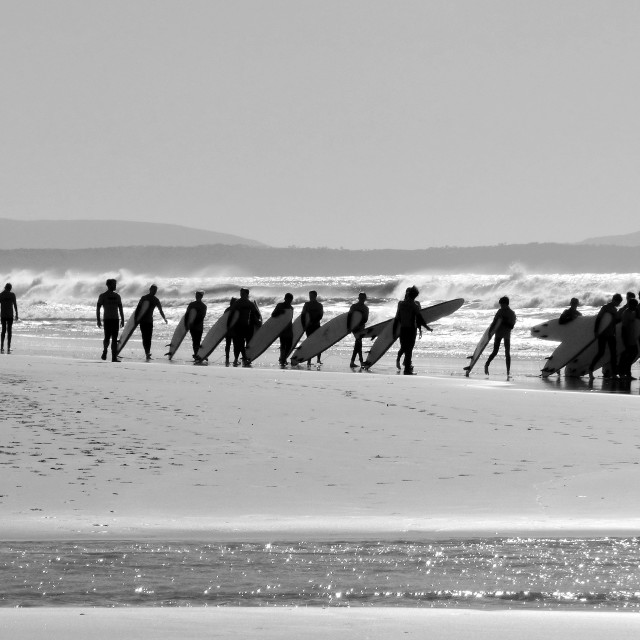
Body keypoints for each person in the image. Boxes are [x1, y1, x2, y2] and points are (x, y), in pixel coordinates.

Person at [393, 286, 432, 375]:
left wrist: (394, 331)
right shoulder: (414, 305)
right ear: (415, 296)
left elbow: (397, 318)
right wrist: (426, 327)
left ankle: (407, 367)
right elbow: (419, 318)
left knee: (404, 347)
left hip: (403, 329)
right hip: (411, 330)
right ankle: (407, 369)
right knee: (409, 349)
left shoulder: (401, 304)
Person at [589, 293, 623, 379]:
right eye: (618, 302)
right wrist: (596, 331)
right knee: (601, 353)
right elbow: (599, 319)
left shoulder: (615, 310)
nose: (619, 304)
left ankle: (614, 373)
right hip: (603, 334)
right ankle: (590, 370)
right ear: (615, 300)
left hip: (611, 334)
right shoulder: (605, 308)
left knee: (613, 354)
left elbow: (614, 323)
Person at [484, 296, 517, 377]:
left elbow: (511, 326)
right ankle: (487, 364)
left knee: (507, 353)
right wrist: (489, 332)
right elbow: (494, 322)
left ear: (506, 304)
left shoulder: (512, 314)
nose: (501, 306)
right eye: (500, 305)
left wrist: (503, 321)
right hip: (498, 333)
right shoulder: (499, 311)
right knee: (495, 351)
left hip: (506, 334)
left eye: (502, 305)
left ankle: (508, 372)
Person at [228, 288, 262, 367]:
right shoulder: (237, 303)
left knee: (246, 344)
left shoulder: (249, 304)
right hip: (238, 326)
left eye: (243, 293)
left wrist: (258, 322)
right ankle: (239, 359)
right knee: (239, 343)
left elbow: (256, 314)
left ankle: (245, 358)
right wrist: (229, 326)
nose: (241, 295)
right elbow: (231, 315)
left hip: (247, 327)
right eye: (240, 293)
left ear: (247, 294)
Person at [136, 284, 168, 360]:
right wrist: (136, 319)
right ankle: (147, 352)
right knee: (144, 337)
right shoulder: (144, 298)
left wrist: (164, 318)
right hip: (143, 321)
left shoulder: (156, 300)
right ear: (150, 289)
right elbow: (138, 308)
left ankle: (148, 353)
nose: (154, 291)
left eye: (155, 290)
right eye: (153, 290)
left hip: (149, 321)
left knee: (149, 338)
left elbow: (160, 310)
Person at [96, 278, 124, 362]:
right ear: (109, 285)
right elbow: (98, 308)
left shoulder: (117, 296)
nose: (115, 286)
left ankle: (113, 357)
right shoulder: (102, 296)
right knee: (107, 338)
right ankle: (105, 350)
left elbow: (120, 308)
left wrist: (122, 319)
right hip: (107, 319)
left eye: (115, 284)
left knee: (115, 339)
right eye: (114, 284)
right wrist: (98, 320)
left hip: (116, 319)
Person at [301, 290, 324, 365]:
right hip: (309, 327)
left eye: (312, 296)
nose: (310, 297)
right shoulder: (306, 304)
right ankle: (309, 360)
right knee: (310, 343)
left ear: (315, 296)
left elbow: (320, 316)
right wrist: (304, 326)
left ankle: (318, 360)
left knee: (318, 343)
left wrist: (313, 321)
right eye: (309, 296)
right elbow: (303, 315)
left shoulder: (319, 305)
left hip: (316, 326)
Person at [347, 292, 369, 368]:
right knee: (359, 343)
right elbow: (349, 317)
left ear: (365, 299)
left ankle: (354, 362)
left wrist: (359, 322)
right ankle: (360, 361)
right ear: (358, 298)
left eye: (363, 298)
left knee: (358, 344)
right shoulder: (353, 306)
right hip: (355, 328)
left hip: (361, 328)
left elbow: (365, 319)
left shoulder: (366, 308)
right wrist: (349, 327)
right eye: (361, 298)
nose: (362, 299)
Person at [272, 292, 294, 367]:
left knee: (289, 345)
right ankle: (283, 359)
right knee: (283, 344)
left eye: (290, 300)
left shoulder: (291, 308)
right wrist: (280, 312)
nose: (289, 301)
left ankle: (283, 358)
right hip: (282, 328)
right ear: (285, 299)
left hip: (289, 328)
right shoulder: (280, 305)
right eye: (288, 299)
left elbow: (290, 319)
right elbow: (273, 315)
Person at [618, 298, 639, 380]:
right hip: (627, 337)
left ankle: (626, 373)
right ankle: (622, 372)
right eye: (635, 305)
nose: (636, 307)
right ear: (631, 305)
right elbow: (624, 327)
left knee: (632, 353)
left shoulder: (632, 312)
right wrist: (625, 339)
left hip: (632, 337)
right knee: (627, 355)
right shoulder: (626, 313)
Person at [186, 290, 207, 359]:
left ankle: (198, 354)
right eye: (196, 295)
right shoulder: (191, 304)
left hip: (198, 326)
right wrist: (187, 324)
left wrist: (192, 323)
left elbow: (202, 317)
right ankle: (196, 354)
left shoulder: (203, 306)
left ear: (201, 297)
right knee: (195, 341)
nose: (197, 297)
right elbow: (187, 315)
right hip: (192, 326)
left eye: (199, 296)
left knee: (197, 341)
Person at [0, 283, 18, 354]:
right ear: (10, 288)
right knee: (9, 331)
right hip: (10, 315)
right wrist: (17, 314)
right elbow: (15, 305)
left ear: (5, 287)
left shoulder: (1, 295)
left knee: (3, 331)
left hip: (3, 315)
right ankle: (8, 347)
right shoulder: (12, 295)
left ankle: (1, 347)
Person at [224, 297, 237, 366]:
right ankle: (235, 359)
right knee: (235, 345)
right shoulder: (237, 311)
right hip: (234, 331)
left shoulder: (227, 310)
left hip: (228, 330)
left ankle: (227, 358)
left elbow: (223, 321)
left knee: (228, 345)